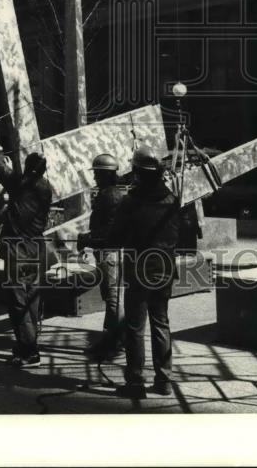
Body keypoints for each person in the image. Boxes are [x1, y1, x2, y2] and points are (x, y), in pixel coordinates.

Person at [106, 144, 181, 398]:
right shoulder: (172, 199)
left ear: (138, 172)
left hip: (139, 271)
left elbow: (115, 236)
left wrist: (91, 239)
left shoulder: (132, 201)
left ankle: (136, 383)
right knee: (161, 323)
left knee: (135, 327)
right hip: (164, 269)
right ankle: (164, 381)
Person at [0, 146, 52, 367]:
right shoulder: (45, 187)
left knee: (18, 302)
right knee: (32, 299)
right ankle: (28, 344)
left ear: (28, 169)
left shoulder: (22, 183)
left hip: (18, 250)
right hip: (35, 249)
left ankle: (29, 350)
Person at [77, 153, 125, 361]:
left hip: (110, 253)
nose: (95, 177)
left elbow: (107, 232)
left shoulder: (110, 196)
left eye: (97, 173)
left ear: (106, 174)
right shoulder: (111, 193)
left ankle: (115, 342)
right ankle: (111, 339)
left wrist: (86, 239)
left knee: (113, 298)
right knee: (111, 297)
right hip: (109, 252)